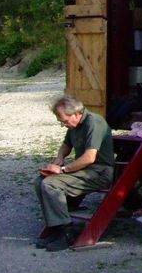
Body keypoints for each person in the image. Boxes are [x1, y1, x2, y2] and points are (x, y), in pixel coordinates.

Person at [34, 95, 115, 252]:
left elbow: (90, 157)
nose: (63, 125)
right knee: (40, 182)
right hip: (85, 171)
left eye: (64, 121)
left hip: (99, 172)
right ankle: (56, 228)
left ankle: (67, 233)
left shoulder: (94, 122)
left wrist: (63, 169)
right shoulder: (74, 125)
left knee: (51, 184)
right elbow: (66, 144)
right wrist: (59, 158)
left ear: (76, 113)